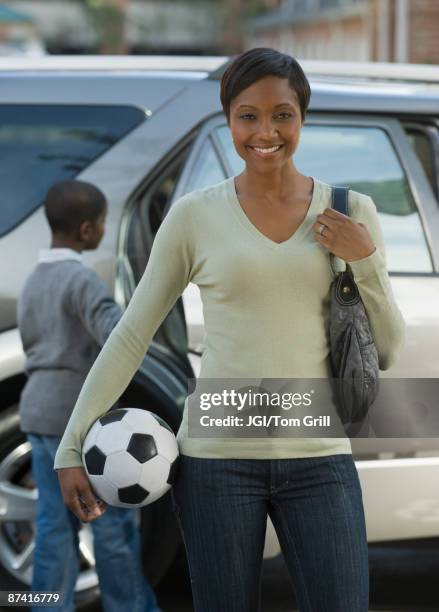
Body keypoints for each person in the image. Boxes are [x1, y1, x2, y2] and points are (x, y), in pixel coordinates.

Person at [54, 48, 406, 612]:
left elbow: (385, 350)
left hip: (319, 456)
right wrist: (72, 445)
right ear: (227, 118)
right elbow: (131, 334)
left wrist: (363, 260)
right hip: (216, 464)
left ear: (302, 117)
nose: (265, 131)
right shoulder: (196, 215)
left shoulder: (350, 211)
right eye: (249, 115)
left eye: (282, 114)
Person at [17, 179, 161, 612]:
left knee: (53, 525)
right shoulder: (81, 281)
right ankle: (129, 607)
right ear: (85, 230)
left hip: (37, 411)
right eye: (101, 223)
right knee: (111, 525)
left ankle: (48, 605)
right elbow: (120, 337)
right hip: (76, 421)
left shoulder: (33, 280)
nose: (102, 231)